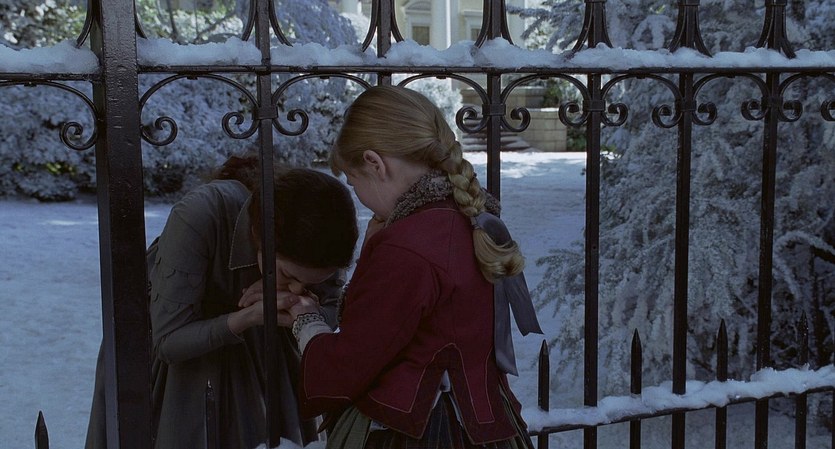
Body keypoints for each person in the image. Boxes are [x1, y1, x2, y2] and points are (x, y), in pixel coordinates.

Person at [283, 85, 542, 449]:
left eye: (354, 182)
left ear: (375, 163)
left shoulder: (406, 246)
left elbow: (349, 364)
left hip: (420, 432)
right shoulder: (470, 220)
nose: (359, 196)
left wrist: (306, 319)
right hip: (484, 426)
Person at [84, 153, 359, 449]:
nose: (296, 290)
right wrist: (248, 317)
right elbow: (168, 341)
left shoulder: (324, 230)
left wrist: (306, 312)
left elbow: (331, 310)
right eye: (287, 275)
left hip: (269, 368)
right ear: (259, 235)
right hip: (179, 371)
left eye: (309, 284)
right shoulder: (201, 214)